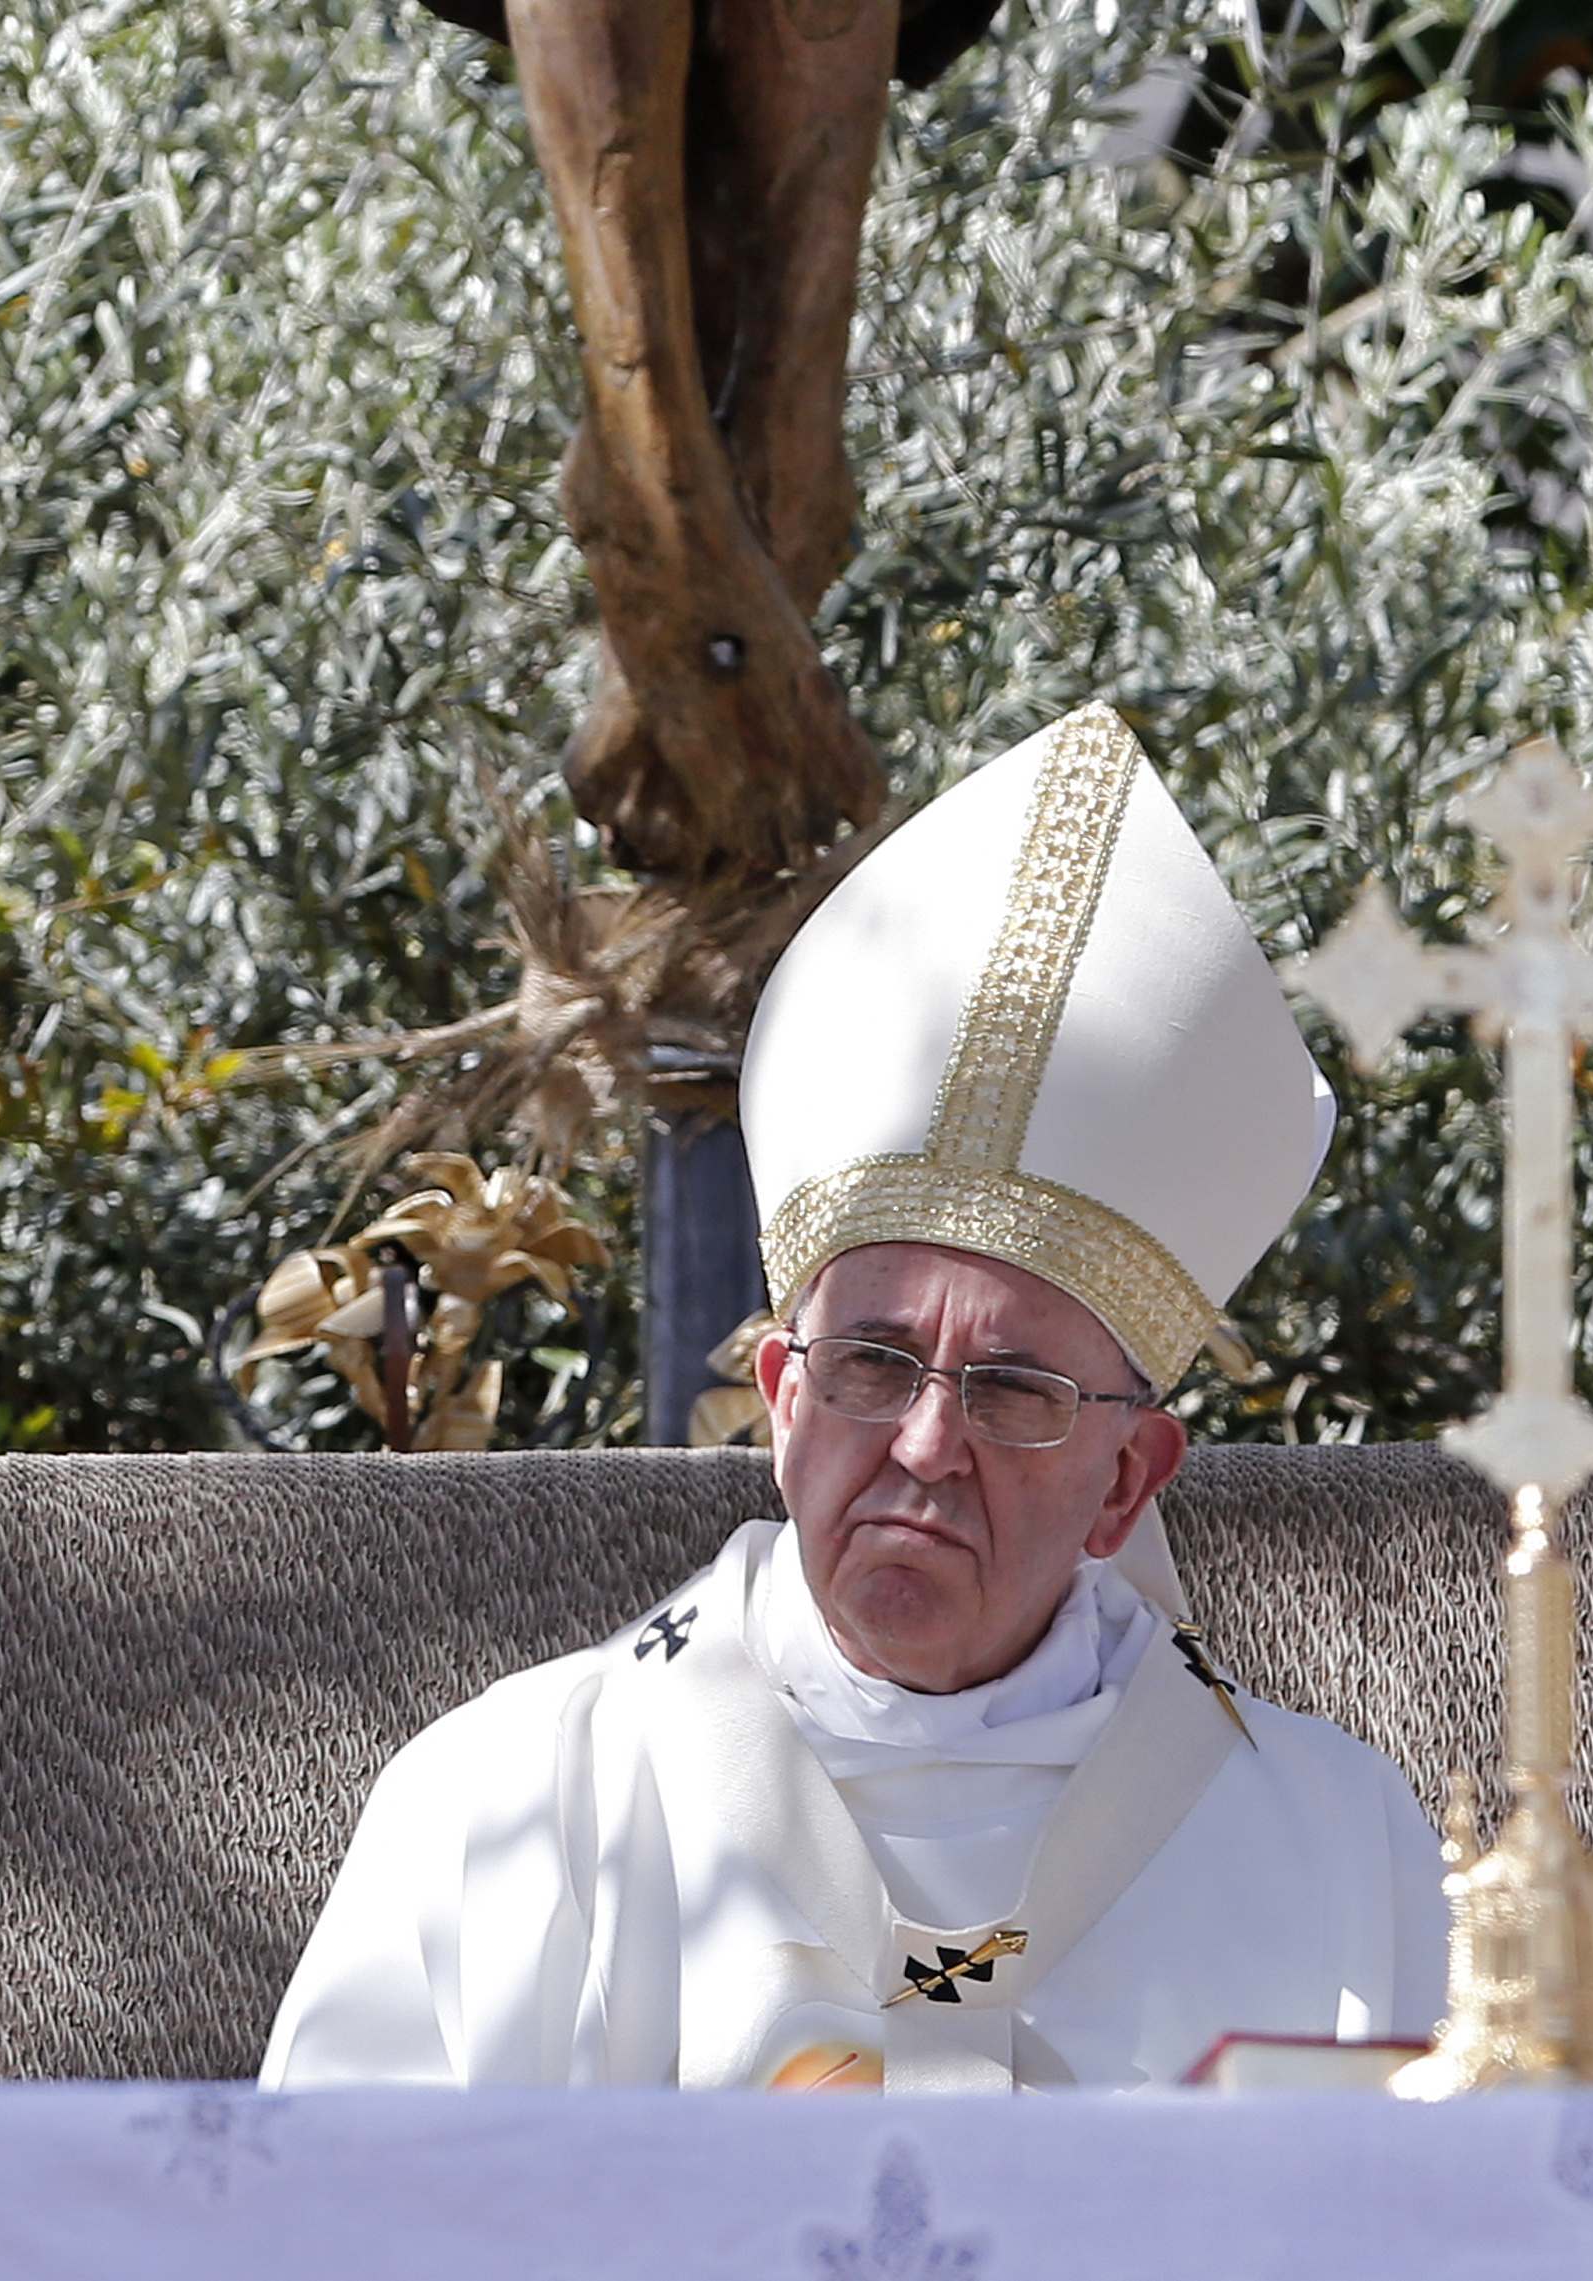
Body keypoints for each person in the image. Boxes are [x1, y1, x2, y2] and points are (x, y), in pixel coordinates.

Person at [261, 701, 1448, 2092]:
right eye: (873, 1365)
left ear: (1129, 1479)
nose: (928, 1444)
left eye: (1015, 1388)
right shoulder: (514, 1800)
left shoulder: (1332, 1839)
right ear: (779, 1396)